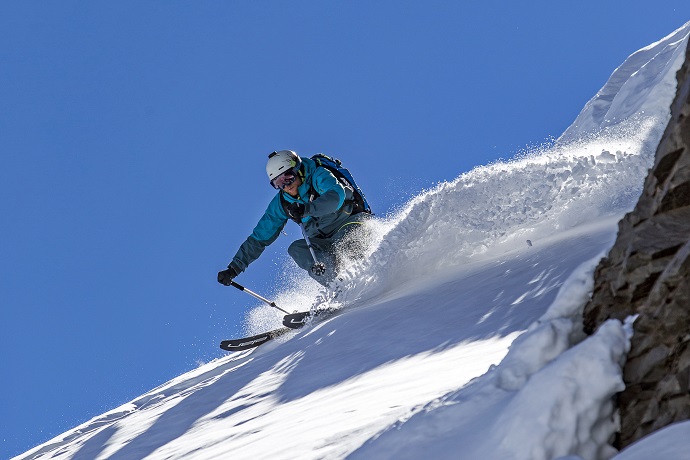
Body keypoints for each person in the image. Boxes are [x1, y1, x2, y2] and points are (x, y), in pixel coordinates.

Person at [218, 150, 368, 288]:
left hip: (350, 223)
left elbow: (336, 196)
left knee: (348, 243)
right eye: (278, 184)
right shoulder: (283, 202)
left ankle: (362, 282)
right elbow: (259, 238)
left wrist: (306, 209)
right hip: (324, 242)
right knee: (297, 249)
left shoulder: (318, 175)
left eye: (288, 178)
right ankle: (338, 288)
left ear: (298, 171)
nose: (286, 186)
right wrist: (234, 269)